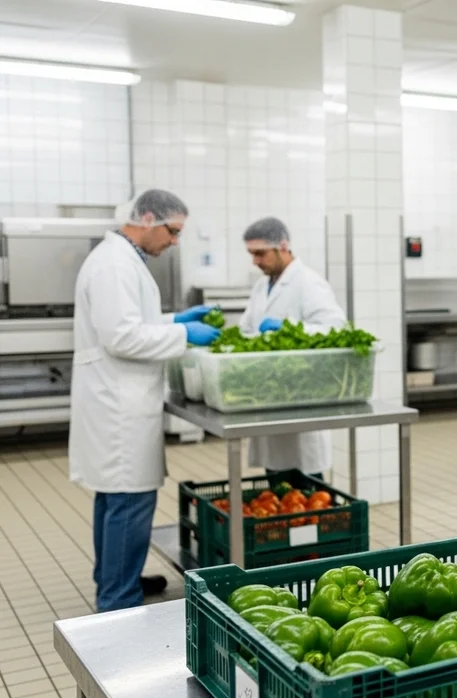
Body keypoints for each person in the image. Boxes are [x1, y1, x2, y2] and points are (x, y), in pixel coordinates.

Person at [69, 189, 222, 612]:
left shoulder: (121, 259)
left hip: (119, 399)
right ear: (149, 218)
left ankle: (114, 578)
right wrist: (183, 335)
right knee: (129, 502)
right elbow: (121, 337)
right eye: (172, 231)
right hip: (119, 406)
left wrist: (175, 320)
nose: (174, 241)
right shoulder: (115, 263)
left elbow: (132, 321)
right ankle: (118, 599)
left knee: (114, 498)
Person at [239, 216, 347, 474]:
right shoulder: (261, 285)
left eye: (260, 253)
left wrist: (289, 329)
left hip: (301, 392)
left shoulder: (308, 282)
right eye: (251, 254)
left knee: (306, 482)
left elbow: (335, 328)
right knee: (275, 476)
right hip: (269, 393)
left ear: (283, 246)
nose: (255, 261)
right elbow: (247, 329)